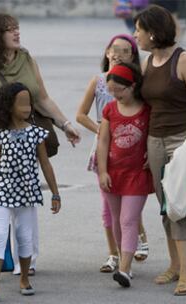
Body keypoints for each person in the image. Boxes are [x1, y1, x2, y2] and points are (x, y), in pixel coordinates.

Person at [0, 13, 80, 285]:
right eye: (9, 30)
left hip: (24, 151)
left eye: (17, 28)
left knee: (26, 207)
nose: (17, 33)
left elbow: (42, 99)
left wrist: (65, 124)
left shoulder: (27, 59)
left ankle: (25, 263)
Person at [134, 4, 186, 295]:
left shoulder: (184, 60)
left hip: (181, 140)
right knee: (165, 207)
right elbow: (143, 105)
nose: (136, 35)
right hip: (154, 141)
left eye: (138, 30)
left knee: (180, 208)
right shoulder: (147, 61)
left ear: (152, 33)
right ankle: (174, 265)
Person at [0, 82, 61, 302]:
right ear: (8, 105)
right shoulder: (0, 135)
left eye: (28, 102)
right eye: (21, 103)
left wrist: (55, 193)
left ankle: (24, 277)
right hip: (2, 191)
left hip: (26, 193)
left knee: (24, 237)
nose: (26, 107)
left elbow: (45, 165)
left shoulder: (36, 133)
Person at [76, 34, 149, 274]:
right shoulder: (98, 81)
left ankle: (139, 238)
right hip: (105, 144)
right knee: (109, 205)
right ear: (107, 52)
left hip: (133, 146)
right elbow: (81, 115)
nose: (117, 53)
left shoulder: (138, 85)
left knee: (130, 198)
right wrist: (105, 129)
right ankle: (114, 254)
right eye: (113, 48)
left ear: (132, 58)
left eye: (125, 51)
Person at [96, 63, 154, 288]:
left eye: (120, 90)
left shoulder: (147, 109)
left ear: (133, 86)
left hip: (137, 174)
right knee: (118, 220)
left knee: (129, 220)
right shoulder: (110, 109)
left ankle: (125, 269)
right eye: (112, 91)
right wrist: (102, 171)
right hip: (113, 173)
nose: (116, 95)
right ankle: (124, 261)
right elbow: (103, 142)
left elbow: (154, 134)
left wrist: (153, 153)